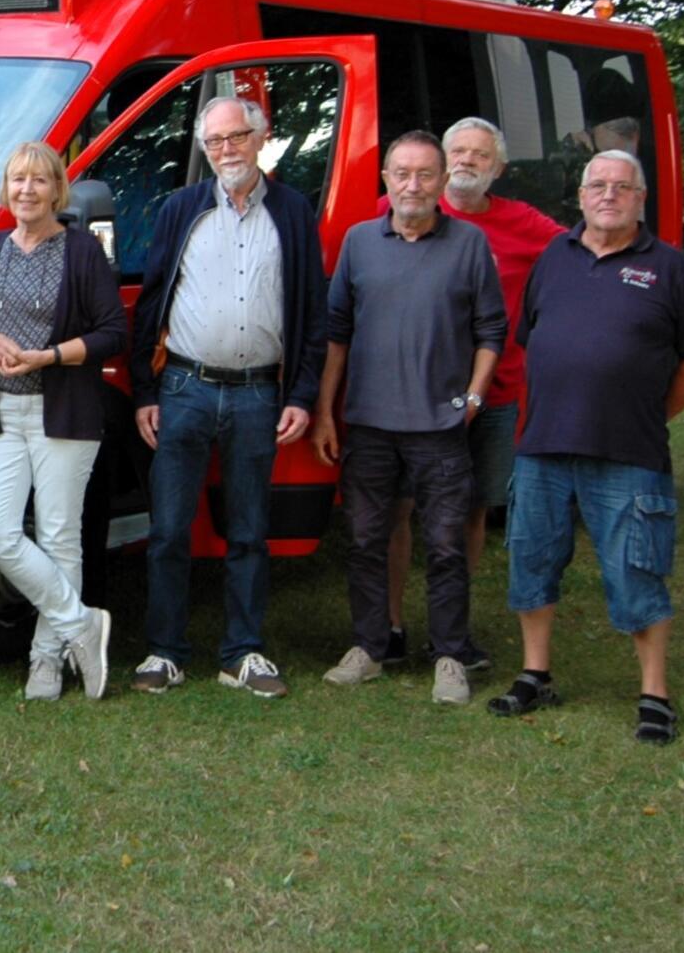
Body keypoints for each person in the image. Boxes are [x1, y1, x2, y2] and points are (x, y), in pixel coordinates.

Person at [488, 150, 684, 744]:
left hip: (628, 451)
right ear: (582, 197)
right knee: (531, 563)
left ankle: (654, 696)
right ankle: (536, 674)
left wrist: (650, 413)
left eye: (622, 186)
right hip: (542, 446)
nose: (608, 195)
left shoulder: (668, 268)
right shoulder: (553, 259)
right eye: (598, 186)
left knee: (637, 572)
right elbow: (532, 338)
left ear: (641, 199)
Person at [128, 98, 328, 700]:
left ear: (261, 138)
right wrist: (145, 391)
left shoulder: (292, 213)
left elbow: (313, 314)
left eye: (236, 137)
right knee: (168, 530)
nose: (225, 151)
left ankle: (243, 652)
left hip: (258, 394)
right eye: (214, 142)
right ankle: (164, 651)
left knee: (248, 531)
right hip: (184, 388)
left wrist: (302, 394)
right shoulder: (180, 209)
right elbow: (151, 306)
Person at [311, 130, 506, 705]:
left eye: (425, 174)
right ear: (386, 180)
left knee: (446, 546)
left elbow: (491, 331)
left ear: (443, 182)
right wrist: (326, 410)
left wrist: (471, 399)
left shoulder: (469, 244)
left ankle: (449, 655)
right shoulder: (358, 241)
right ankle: (370, 648)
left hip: (441, 428)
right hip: (369, 424)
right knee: (367, 540)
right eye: (402, 173)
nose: (413, 185)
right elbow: (337, 333)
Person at [381, 118, 562, 668]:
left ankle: (448, 631)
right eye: (457, 151)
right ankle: (389, 626)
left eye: (480, 156)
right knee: (400, 510)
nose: (466, 161)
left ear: (498, 169)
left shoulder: (524, 224)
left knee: (471, 511)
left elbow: (582, 256)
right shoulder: (409, 211)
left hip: (496, 392)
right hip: (416, 393)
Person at [0, 143, 125, 701]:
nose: (26, 190)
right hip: (4, 410)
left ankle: (46, 660)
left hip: (65, 411)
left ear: (58, 189)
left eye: (38, 181)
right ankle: (82, 623)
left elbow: (113, 333)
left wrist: (50, 356)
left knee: (59, 536)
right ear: (5, 189)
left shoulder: (82, 251)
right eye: (16, 180)